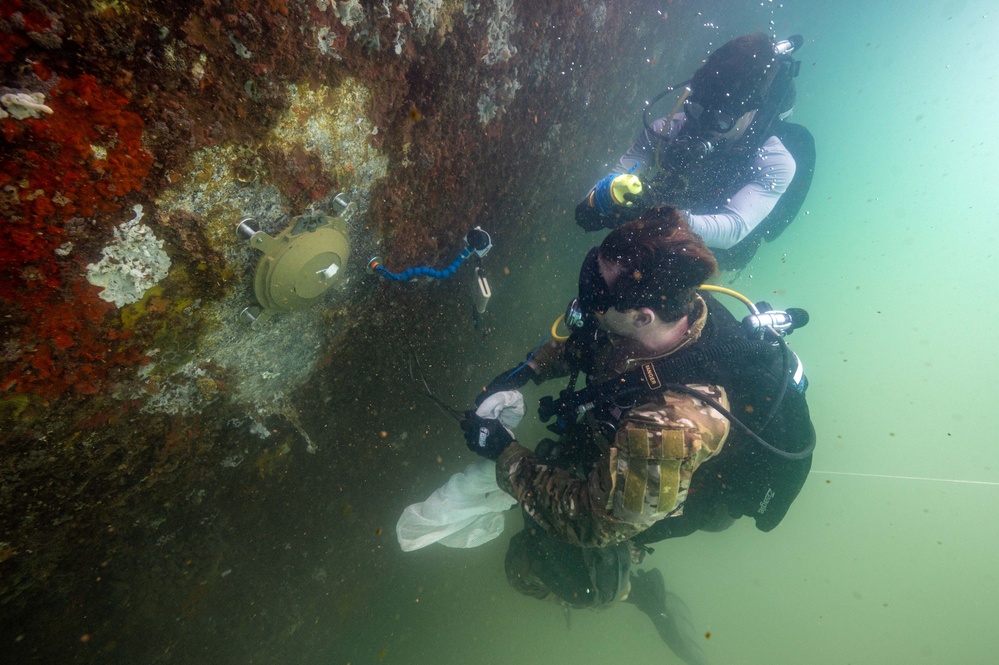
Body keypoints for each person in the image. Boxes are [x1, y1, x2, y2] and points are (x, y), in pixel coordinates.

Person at [461, 209, 815, 664]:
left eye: (596, 294)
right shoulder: (669, 309)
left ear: (643, 316)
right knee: (561, 458)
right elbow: (594, 343)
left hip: (654, 493)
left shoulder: (679, 422)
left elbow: (592, 520)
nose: (585, 302)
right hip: (623, 434)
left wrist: (504, 454)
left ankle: (636, 594)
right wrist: (529, 369)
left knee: (542, 574)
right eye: (593, 274)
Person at [575, 33, 816, 271]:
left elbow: (734, 227)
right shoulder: (669, 128)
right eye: (697, 109)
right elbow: (619, 172)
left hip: (723, 247)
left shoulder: (775, 161)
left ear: (752, 113)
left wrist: (661, 218)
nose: (703, 126)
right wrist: (600, 199)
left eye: (721, 119)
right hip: (676, 210)